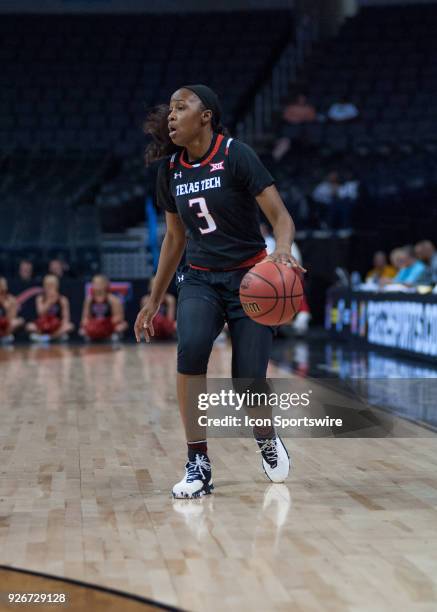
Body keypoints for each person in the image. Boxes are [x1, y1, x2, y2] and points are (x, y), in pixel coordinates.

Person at [135, 84, 305, 499]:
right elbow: (174, 240)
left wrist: (281, 252)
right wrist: (154, 298)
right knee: (190, 350)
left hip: (252, 279)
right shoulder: (170, 170)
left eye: (181, 107)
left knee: (247, 381)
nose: (172, 116)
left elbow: (281, 217)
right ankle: (198, 461)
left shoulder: (235, 155)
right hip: (200, 278)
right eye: (170, 110)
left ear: (206, 115)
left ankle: (265, 435)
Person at [26, 274, 74, 342]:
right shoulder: (40, 298)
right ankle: (54, 337)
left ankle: (49, 338)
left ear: (57, 286)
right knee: (30, 326)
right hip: (43, 325)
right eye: (48, 286)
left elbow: (66, 318)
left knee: (69, 326)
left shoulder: (62, 299)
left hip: (57, 327)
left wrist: (60, 326)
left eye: (52, 285)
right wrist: (49, 302)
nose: (50, 288)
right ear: (44, 286)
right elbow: (40, 314)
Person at [80, 274, 128, 341]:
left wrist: (103, 322)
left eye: (99, 283)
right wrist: (90, 324)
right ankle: (93, 335)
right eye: (94, 283)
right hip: (95, 325)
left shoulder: (113, 299)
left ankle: (111, 335)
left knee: (122, 326)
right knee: (82, 330)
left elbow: (119, 317)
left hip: (108, 324)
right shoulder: (89, 300)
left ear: (105, 285)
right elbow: (85, 317)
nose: (96, 285)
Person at [272, 93, 317, 161]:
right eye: (300, 98)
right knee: (283, 143)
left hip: (304, 133)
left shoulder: (310, 108)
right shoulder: (290, 107)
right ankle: (273, 162)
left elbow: (311, 118)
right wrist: (300, 119)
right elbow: (286, 117)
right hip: (290, 132)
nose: (301, 100)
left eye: (303, 98)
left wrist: (298, 119)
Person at [0, 277, 24, 343]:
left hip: (6, 324)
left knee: (18, 321)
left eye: (4, 285)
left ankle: (4, 336)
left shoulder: (11, 299)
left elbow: (11, 318)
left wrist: (5, 306)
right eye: (1, 285)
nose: (3, 287)